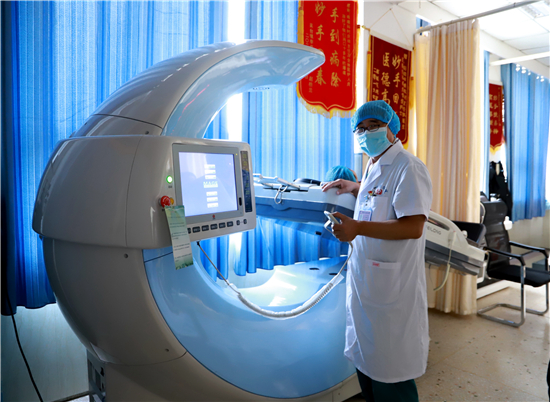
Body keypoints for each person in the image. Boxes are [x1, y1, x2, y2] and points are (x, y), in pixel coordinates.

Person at [322, 100, 433, 402]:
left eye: (374, 126)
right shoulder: (373, 165)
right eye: (360, 128)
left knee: (390, 375)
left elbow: (413, 226)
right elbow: (379, 195)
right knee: (367, 367)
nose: (366, 133)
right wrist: (355, 186)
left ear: (392, 128)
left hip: (391, 290)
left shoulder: (409, 167)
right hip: (368, 284)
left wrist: (357, 228)